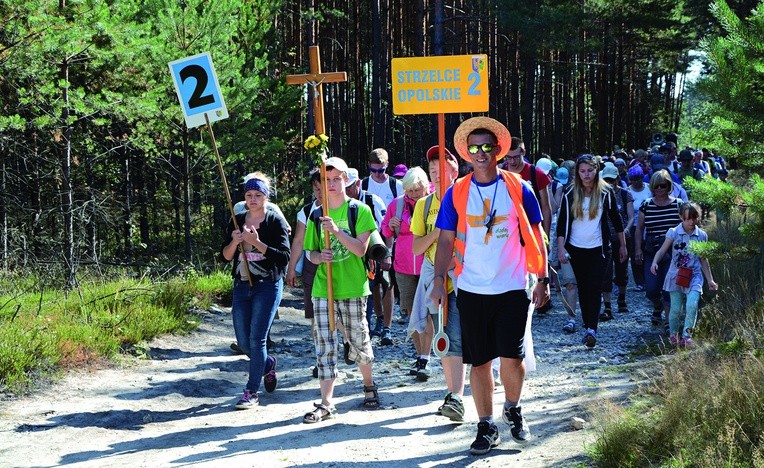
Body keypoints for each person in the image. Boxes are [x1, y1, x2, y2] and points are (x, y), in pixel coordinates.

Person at [430, 117, 549, 455]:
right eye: (474, 148)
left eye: (487, 147)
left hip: (512, 287)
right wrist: (439, 281)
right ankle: (486, 425)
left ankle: (513, 406)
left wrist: (541, 277)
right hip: (471, 289)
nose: (480, 153)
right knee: (479, 362)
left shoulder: (518, 188)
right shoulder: (458, 192)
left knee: (512, 358)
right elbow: (445, 241)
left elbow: (536, 236)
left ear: (499, 150)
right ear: (467, 153)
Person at [302, 157, 378, 423]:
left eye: (336, 179)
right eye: (327, 180)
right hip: (324, 288)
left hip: (353, 287)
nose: (332, 185)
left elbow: (360, 249)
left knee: (359, 340)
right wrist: (318, 258)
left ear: (346, 180)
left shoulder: (360, 210)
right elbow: (309, 253)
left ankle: (369, 385)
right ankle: (326, 403)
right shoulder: (315, 213)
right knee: (324, 344)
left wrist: (335, 231)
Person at [221, 173, 290, 409]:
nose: (253, 199)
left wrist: (257, 242)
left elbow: (283, 257)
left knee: (257, 338)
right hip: (241, 284)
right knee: (243, 340)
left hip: (268, 285)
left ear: (266, 197)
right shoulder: (236, 218)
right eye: (249, 195)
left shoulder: (274, 221)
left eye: (258, 195)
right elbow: (225, 255)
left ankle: (251, 391)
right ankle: (267, 364)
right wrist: (235, 241)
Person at [409, 146, 465, 417]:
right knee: (446, 335)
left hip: (467, 276)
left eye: (442, 169)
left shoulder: (467, 198)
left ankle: (476, 383)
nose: (437, 174)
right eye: (432, 170)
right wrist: (438, 234)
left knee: (468, 333)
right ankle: (455, 395)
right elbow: (416, 248)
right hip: (436, 278)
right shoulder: (424, 204)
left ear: (455, 170)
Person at [556, 155, 627, 348]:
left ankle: (591, 329)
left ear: (596, 171)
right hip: (575, 248)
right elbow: (562, 223)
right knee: (583, 287)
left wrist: (623, 245)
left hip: (599, 248)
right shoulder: (570, 192)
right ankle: (588, 323)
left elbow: (616, 219)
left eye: (590, 170)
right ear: (577, 173)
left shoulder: (605, 192)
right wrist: (561, 248)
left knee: (594, 286)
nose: (586, 175)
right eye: (582, 171)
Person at [650, 201, 718, 347]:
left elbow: (703, 259)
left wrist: (710, 280)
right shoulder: (673, 232)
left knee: (692, 305)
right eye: (687, 218)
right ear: (681, 217)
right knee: (675, 309)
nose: (691, 222)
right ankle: (674, 335)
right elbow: (662, 250)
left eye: (694, 218)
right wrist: (655, 262)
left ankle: (687, 336)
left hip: (694, 275)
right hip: (676, 275)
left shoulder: (701, 235)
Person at [345, 168, 393, 344]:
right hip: (359, 252)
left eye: (349, 186)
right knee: (370, 288)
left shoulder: (373, 201)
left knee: (387, 285)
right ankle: (373, 321)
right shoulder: (342, 203)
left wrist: (387, 254)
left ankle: (386, 327)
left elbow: (387, 228)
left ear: (358, 183)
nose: (346, 190)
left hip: (378, 249)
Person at [381, 167, 428, 329]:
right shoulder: (397, 204)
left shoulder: (433, 202)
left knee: (429, 309)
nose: (414, 194)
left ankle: (427, 349)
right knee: (410, 310)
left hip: (428, 265)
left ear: (425, 187)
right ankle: (419, 347)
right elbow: (385, 230)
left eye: (417, 190)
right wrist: (391, 225)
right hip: (403, 266)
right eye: (410, 190)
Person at [634, 170, 683, 328]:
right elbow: (639, 229)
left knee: (669, 287)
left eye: (663, 185)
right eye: (656, 186)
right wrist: (637, 249)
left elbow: (686, 227)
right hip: (652, 250)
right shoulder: (646, 205)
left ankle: (669, 321)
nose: (660, 189)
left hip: (673, 252)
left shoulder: (678, 204)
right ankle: (657, 305)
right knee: (652, 289)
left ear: (668, 186)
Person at [286, 170, 322, 377]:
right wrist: (292, 268)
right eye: (316, 189)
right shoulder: (306, 211)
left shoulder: (345, 208)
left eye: (322, 188)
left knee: (340, 315)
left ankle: (346, 344)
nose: (319, 193)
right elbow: (298, 241)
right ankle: (320, 359)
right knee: (315, 315)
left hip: (339, 266)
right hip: (312, 267)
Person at [599, 163, 634, 318]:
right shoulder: (599, 195)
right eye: (606, 179)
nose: (609, 183)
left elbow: (631, 216)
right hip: (604, 238)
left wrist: (625, 230)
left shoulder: (625, 194)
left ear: (618, 179)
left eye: (612, 180)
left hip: (621, 238)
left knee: (622, 270)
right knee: (605, 272)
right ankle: (607, 306)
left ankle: (622, 298)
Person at [501, 137, 553, 236]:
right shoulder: (500, 173)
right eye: (508, 157)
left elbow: (546, 207)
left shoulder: (537, 174)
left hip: (532, 228)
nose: (512, 162)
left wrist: (546, 236)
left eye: (516, 157)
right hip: (506, 230)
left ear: (523, 153)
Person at [626, 165, 651, 292]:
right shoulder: (627, 191)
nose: (636, 181)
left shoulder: (649, 189)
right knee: (635, 253)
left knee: (648, 252)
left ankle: (649, 280)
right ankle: (639, 281)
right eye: (633, 179)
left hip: (649, 226)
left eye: (638, 178)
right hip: (633, 227)